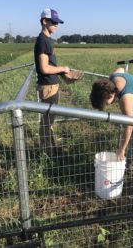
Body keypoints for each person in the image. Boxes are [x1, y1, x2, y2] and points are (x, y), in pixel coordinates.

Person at [34, 8, 82, 155]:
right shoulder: (43, 41)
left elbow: (50, 66)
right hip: (48, 86)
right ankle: (48, 152)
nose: (56, 25)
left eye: (58, 22)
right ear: (44, 21)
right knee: (47, 121)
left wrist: (64, 75)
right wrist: (63, 68)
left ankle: (50, 148)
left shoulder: (47, 40)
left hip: (51, 85)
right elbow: (44, 68)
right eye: (54, 22)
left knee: (49, 120)